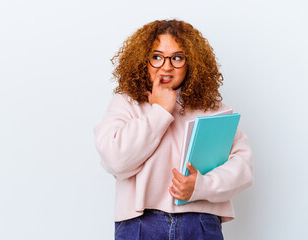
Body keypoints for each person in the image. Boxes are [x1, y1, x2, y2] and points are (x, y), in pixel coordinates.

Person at [94, 19, 253, 240]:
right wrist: (160, 111)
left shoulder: (212, 109)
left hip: (200, 222)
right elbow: (116, 161)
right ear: (144, 60)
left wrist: (201, 186)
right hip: (140, 224)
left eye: (177, 58)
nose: (166, 66)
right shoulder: (126, 104)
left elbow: (243, 168)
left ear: (191, 63)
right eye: (157, 57)